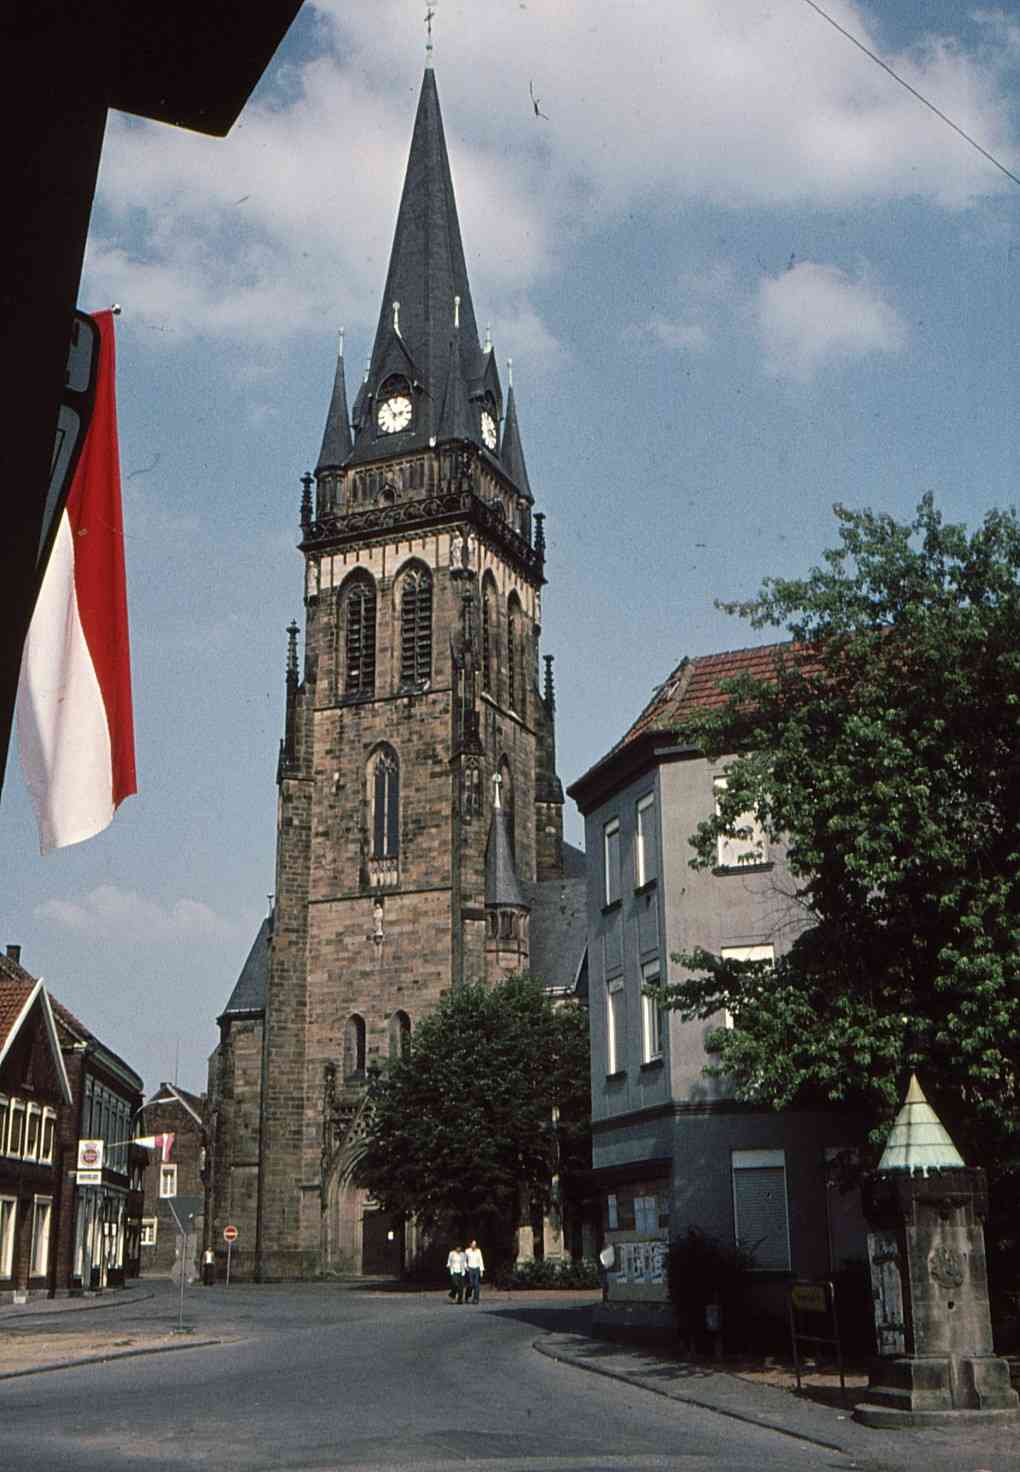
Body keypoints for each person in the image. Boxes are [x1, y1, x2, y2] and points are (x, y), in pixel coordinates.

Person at [465, 1239, 484, 1304]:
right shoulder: (467, 1251)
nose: (474, 1246)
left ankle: (476, 1299)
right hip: (470, 1268)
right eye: (473, 1244)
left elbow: (480, 1260)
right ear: (470, 1245)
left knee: (476, 1284)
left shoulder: (478, 1251)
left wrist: (481, 1270)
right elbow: (464, 1260)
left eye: (475, 1244)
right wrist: (466, 1267)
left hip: (477, 1269)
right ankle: (467, 1296)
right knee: (471, 1284)